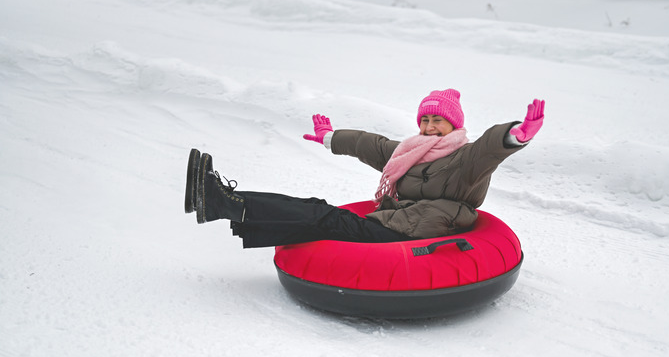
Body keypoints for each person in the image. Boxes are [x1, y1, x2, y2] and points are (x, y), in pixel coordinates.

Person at [184, 89, 545, 248]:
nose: (431, 126)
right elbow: (371, 145)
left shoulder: (465, 160)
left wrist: (516, 135)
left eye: (439, 121)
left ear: (454, 126)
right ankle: (223, 201)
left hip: (411, 236)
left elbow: (489, 149)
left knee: (324, 217)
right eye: (426, 119)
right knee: (315, 206)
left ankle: (223, 204)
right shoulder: (411, 152)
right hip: (394, 223)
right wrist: (330, 138)